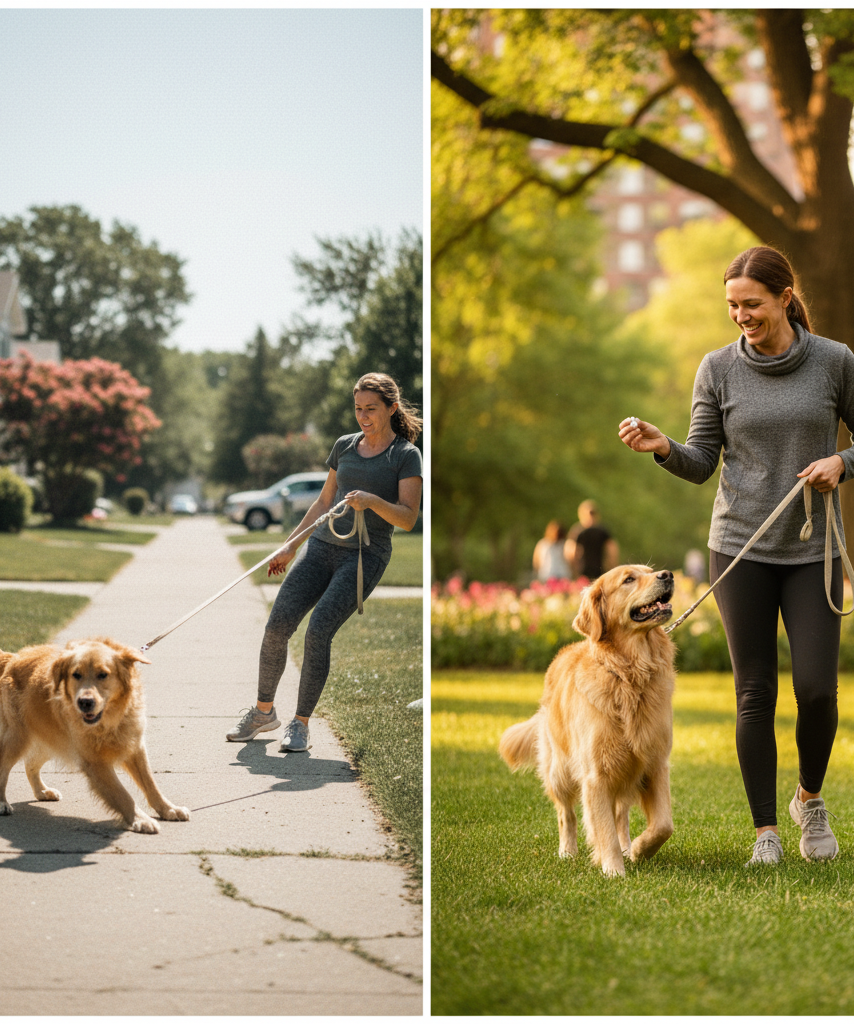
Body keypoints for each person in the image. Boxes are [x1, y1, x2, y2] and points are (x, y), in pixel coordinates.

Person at [619, 245, 854, 866]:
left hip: (812, 549)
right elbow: (701, 462)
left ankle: (809, 799)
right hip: (739, 548)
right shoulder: (717, 368)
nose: (741, 315)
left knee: (817, 690)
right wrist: (662, 446)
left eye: (751, 303)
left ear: (784, 297)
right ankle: (765, 833)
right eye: (732, 305)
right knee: (754, 693)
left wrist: (842, 461)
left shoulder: (834, 361)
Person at [226, 372, 423, 752]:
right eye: (358, 408)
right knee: (277, 626)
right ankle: (263, 713)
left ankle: (300, 724)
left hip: (364, 555)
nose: (363, 417)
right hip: (320, 547)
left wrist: (372, 502)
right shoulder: (345, 446)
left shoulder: (405, 455)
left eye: (371, 409)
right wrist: (289, 547)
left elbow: (408, 518)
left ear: (391, 408)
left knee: (318, 631)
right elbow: (323, 502)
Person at [565, 500, 620, 580]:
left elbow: (612, 552)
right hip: (584, 572)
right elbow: (571, 554)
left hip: (599, 572)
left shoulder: (602, 531)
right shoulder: (578, 532)